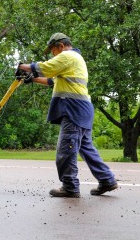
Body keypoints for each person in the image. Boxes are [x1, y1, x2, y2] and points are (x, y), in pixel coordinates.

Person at [17, 33, 118, 198]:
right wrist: (32, 79)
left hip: (73, 109)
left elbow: (46, 67)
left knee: (66, 148)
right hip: (82, 109)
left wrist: (22, 66)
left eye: (53, 51)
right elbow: (52, 80)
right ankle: (107, 179)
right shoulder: (74, 60)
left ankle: (70, 186)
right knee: (87, 149)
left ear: (61, 46)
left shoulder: (67, 56)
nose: (52, 54)